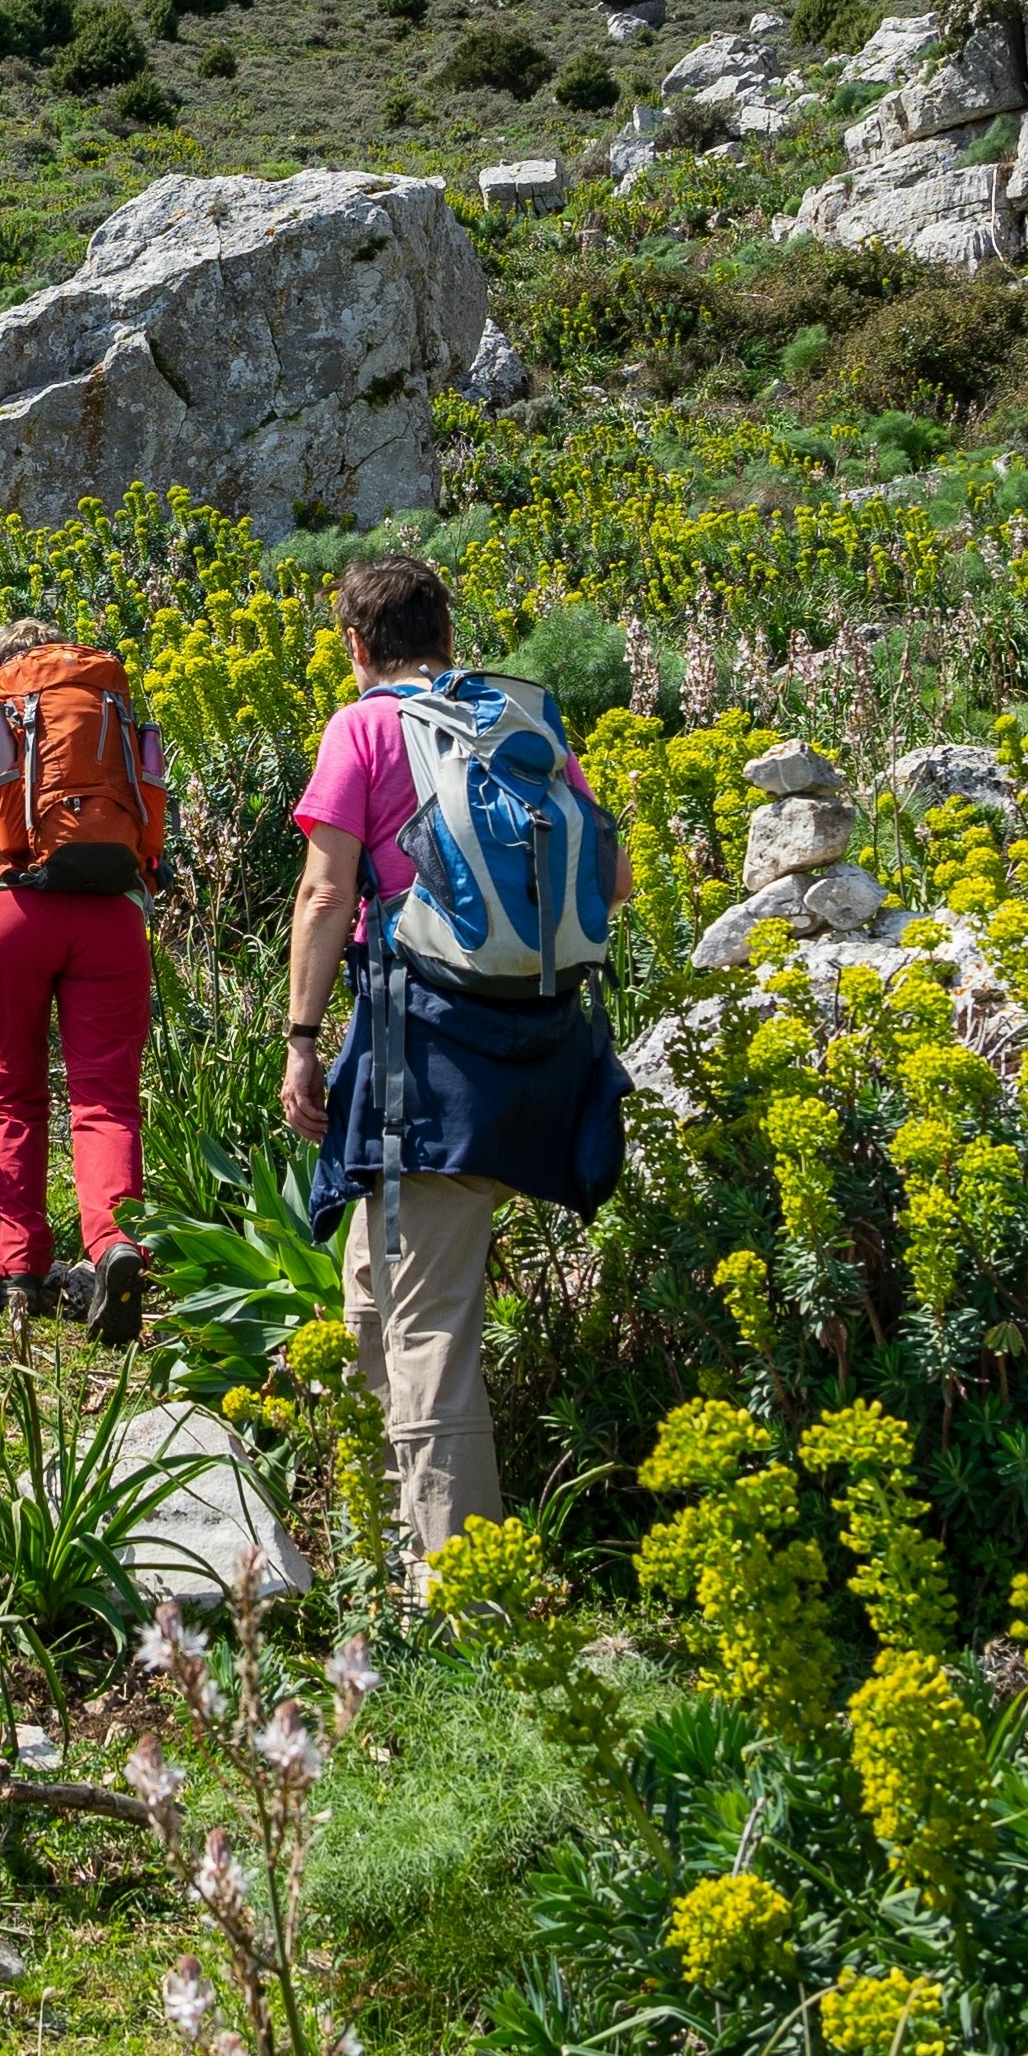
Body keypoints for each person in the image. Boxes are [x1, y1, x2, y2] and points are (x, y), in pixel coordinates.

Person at [276, 552, 622, 1575]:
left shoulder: (366, 726)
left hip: (424, 1052)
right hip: (531, 1051)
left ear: (355, 645)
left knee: (426, 1322)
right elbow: (617, 876)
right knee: (373, 1294)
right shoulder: (519, 722)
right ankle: (383, 1551)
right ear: (449, 637)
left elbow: (323, 897)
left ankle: (469, 1586)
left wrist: (300, 1040)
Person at [0, 617, 167, 1339]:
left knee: (13, 1086)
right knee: (105, 1097)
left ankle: (18, 1263)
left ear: (1, 671)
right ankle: (114, 1244)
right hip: (111, 917)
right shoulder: (110, 714)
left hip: (11, 914)